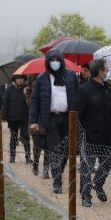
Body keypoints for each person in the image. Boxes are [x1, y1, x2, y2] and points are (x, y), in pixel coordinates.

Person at [28, 49, 81, 194]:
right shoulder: (42, 79)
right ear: (48, 62)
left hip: (68, 118)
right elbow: (35, 101)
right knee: (55, 148)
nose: (55, 63)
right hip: (50, 118)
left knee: (65, 150)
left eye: (58, 60)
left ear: (62, 62)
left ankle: (58, 171)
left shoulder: (70, 77)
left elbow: (78, 96)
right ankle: (57, 181)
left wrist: (79, 115)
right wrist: (33, 120)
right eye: (52, 60)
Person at [74, 59, 111, 207]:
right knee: (87, 166)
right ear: (99, 72)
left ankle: (98, 185)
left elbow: (109, 113)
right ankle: (86, 195)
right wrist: (81, 134)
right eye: (106, 69)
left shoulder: (106, 89)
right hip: (89, 136)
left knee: (106, 165)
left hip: (105, 136)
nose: (108, 72)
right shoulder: (84, 90)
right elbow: (76, 114)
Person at [0, 74, 31, 165]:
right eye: (18, 78)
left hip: (25, 116)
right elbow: (5, 102)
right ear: (15, 79)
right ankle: (12, 156)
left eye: (22, 78)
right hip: (12, 117)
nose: (20, 80)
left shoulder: (27, 89)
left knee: (25, 136)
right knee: (13, 137)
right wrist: (3, 115)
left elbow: (31, 102)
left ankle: (28, 157)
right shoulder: (9, 89)